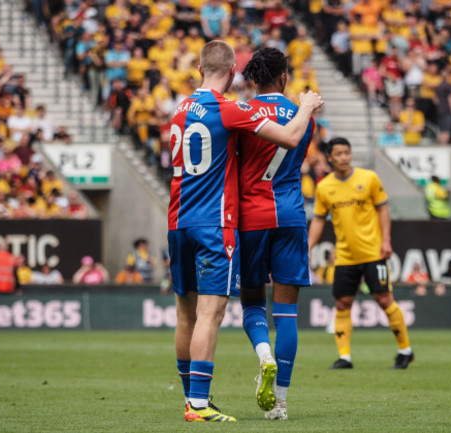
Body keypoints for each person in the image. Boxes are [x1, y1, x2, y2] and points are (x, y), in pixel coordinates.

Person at [167, 40, 323, 423]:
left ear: (200, 70)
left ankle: (195, 397)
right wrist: (303, 107)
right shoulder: (233, 109)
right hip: (241, 218)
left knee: (190, 314)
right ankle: (246, 403)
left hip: (189, 218)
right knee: (232, 313)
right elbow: (290, 139)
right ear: (233, 73)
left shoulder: (181, 109)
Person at [237, 47, 315, 420]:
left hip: (251, 218)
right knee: (287, 314)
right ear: (284, 77)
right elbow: (295, 151)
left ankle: (263, 355)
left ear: (253, 78)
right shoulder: (304, 116)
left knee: (252, 302)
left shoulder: (242, 113)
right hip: (290, 216)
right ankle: (280, 404)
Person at [308, 137, 414, 370]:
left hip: (374, 252)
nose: (344, 157)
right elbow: (318, 219)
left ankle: (405, 350)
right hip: (345, 255)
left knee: (384, 299)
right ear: (330, 157)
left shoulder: (369, 178)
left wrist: (386, 240)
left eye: (347, 152)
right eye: (338, 154)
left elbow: (383, 209)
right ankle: (344, 356)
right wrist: (308, 248)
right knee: (343, 302)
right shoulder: (324, 187)